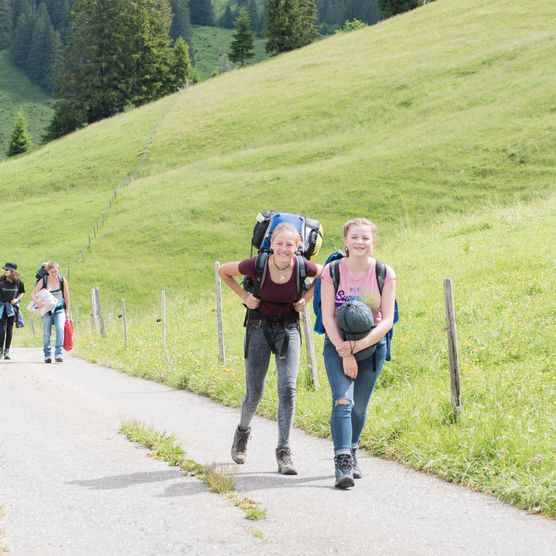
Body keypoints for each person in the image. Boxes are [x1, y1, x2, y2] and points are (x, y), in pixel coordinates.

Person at [219, 223, 322, 475]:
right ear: (271, 244)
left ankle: (284, 451)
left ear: (298, 248)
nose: (284, 249)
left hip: (288, 330)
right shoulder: (258, 264)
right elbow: (223, 271)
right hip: (258, 328)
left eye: (290, 245)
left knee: (288, 389)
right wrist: (244, 296)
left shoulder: (302, 267)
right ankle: (242, 433)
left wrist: (305, 299)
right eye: (280, 243)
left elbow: (326, 276)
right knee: (255, 391)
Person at [320, 218, 396, 489]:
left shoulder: (384, 273)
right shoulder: (332, 271)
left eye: (365, 238)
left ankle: (352, 451)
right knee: (342, 400)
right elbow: (327, 316)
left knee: (359, 406)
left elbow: (387, 320)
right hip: (337, 344)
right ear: (345, 241)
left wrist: (357, 348)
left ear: (373, 241)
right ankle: (342, 462)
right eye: (354, 237)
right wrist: (345, 351)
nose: (359, 242)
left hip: (372, 346)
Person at [31, 261, 70, 364]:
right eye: (52, 272)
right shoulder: (43, 280)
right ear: (47, 271)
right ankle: (47, 354)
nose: (54, 274)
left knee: (60, 329)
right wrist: (37, 302)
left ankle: (58, 353)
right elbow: (33, 294)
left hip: (59, 309)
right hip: (46, 310)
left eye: (56, 271)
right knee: (47, 332)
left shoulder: (62, 280)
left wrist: (67, 311)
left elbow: (66, 296)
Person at [0, 262, 25, 360]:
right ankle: (0, 349)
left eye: (7, 269)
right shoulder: (1, 280)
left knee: (9, 330)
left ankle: (7, 351)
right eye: (5, 269)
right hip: (2, 307)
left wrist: (17, 300)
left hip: (12, 308)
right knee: (1, 330)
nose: (5, 271)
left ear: (12, 271)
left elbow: (22, 292)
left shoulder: (18, 282)